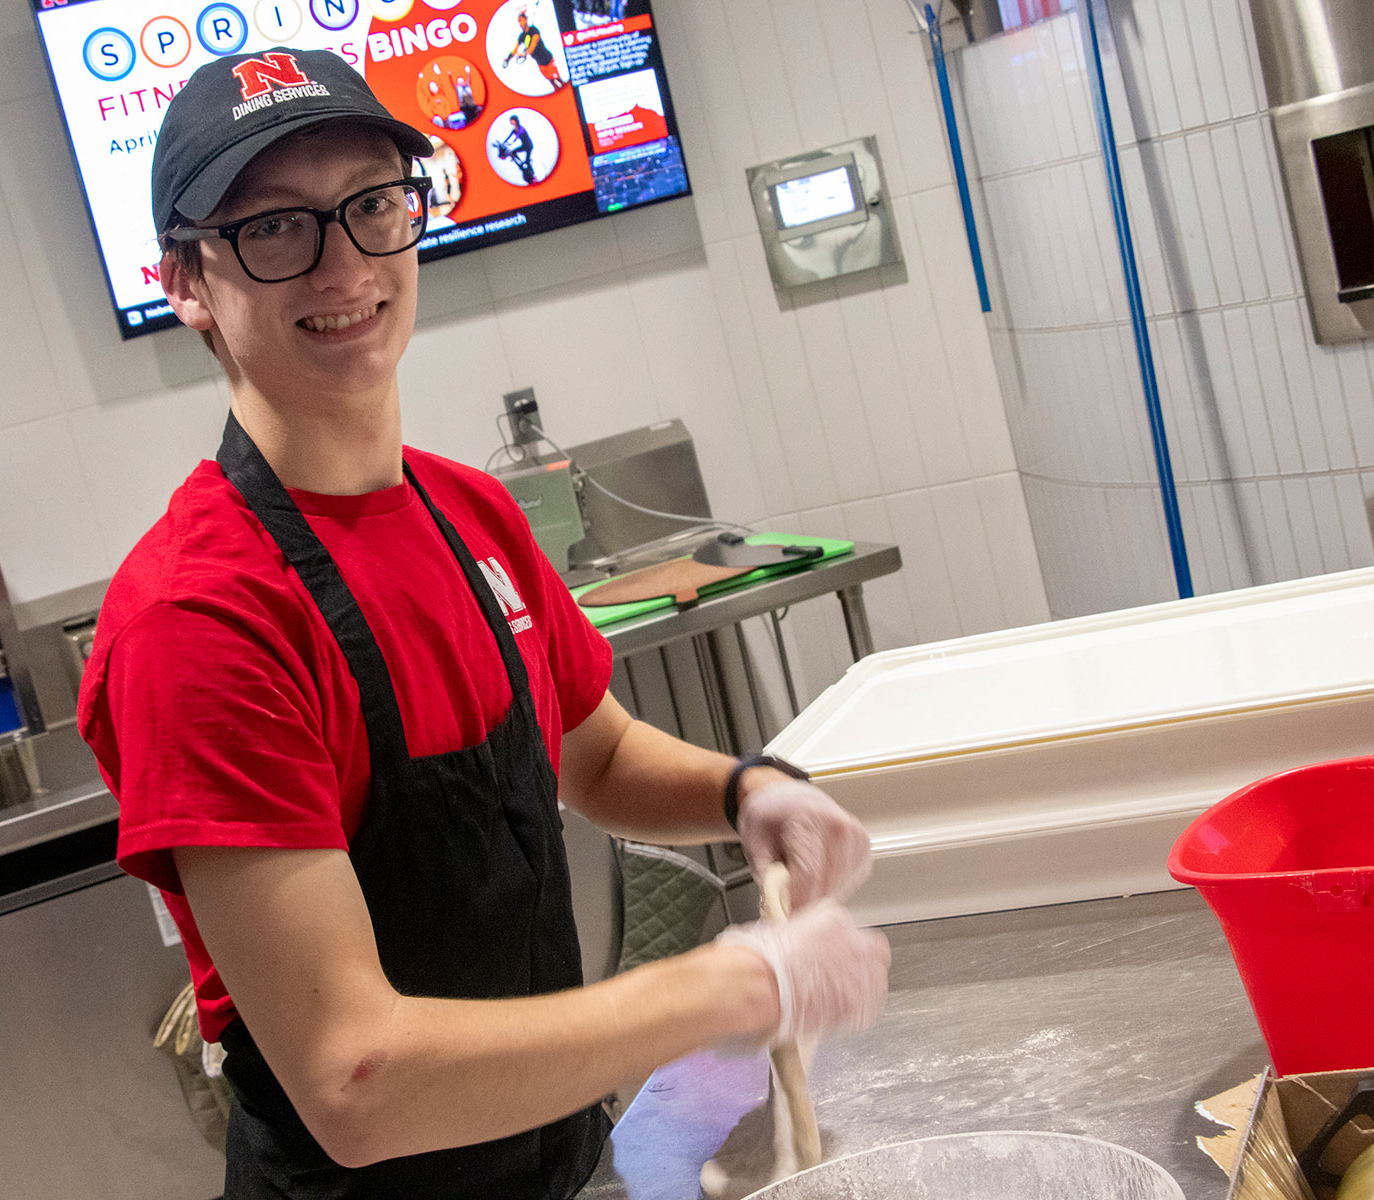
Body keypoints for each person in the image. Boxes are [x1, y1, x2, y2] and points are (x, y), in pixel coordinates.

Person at [79, 46, 889, 1200]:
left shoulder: (469, 514)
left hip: (554, 1164)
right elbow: (355, 1079)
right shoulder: (201, 617)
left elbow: (591, 751)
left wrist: (745, 791)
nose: (342, 264)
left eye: (371, 206)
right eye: (274, 230)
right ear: (189, 284)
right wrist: (729, 989)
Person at [505, 10, 566, 90]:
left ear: (525, 19)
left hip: (548, 60)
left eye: (520, 20)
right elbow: (515, 49)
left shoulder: (534, 31)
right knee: (553, 85)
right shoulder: (522, 36)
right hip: (540, 64)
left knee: (559, 81)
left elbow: (532, 47)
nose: (520, 23)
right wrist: (508, 58)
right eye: (518, 21)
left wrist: (522, 54)